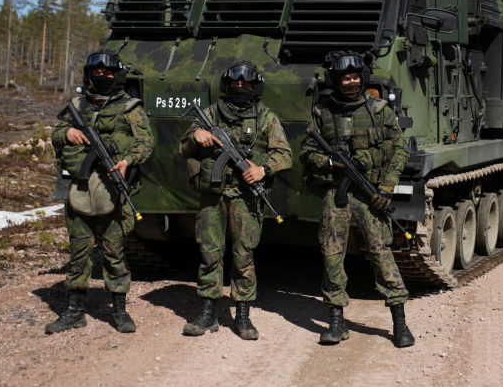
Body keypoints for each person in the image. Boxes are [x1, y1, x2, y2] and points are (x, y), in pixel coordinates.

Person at [300, 51, 414, 348]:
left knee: (380, 252)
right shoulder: (323, 112)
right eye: (345, 78)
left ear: (361, 78)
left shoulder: (379, 110)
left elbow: (400, 149)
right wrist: (329, 163)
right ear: (336, 80)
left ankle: (399, 321)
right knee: (331, 254)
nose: (350, 82)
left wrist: (386, 187)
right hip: (336, 193)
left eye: (354, 77)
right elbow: (307, 151)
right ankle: (336, 320)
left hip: (369, 192)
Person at [179, 60, 292, 340]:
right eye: (235, 83)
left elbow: (285, 155)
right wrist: (196, 135)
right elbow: (183, 146)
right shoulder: (210, 114)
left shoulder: (265, 118)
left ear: (255, 87)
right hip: (213, 196)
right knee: (210, 253)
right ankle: (208, 312)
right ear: (227, 86)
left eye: (246, 84)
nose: (240, 87)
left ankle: (242, 315)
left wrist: (263, 169)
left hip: (245, 197)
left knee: (243, 255)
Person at [47, 50, 154, 335]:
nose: (102, 76)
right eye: (97, 72)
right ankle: (74, 312)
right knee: (79, 251)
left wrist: (127, 161)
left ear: (117, 76)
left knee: (114, 252)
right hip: (80, 188)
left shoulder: (130, 107)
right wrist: (67, 134)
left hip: (112, 188)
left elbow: (145, 143)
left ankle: (118, 310)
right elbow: (56, 134)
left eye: (107, 73)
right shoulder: (77, 104)